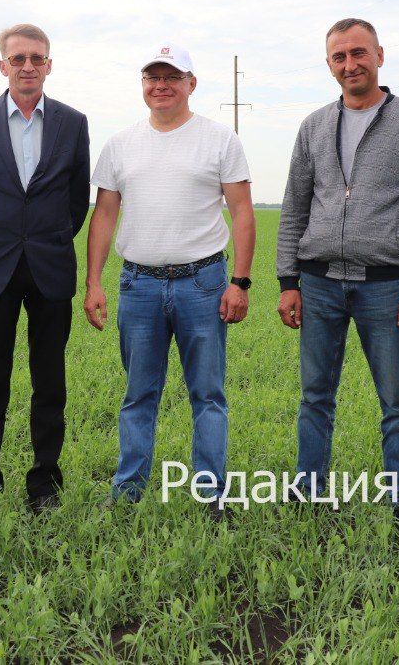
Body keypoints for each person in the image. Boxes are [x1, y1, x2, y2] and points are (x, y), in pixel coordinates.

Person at [275, 18, 399, 527]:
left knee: (396, 400)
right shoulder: (315, 125)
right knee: (315, 397)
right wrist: (287, 281)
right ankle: (309, 495)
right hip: (320, 283)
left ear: (380, 55)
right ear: (329, 65)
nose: (350, 64)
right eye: (339, 57)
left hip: (387, 287)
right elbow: (295, 204)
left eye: (358, 53)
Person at [84, 44, 255, 516]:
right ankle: (129, 490)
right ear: (143, 85)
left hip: (202, 283)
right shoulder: (121, 144)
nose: (161, 85)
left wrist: (239, 281)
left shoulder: (219, 139)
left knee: (208, 395)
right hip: (137, 285)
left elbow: (241, 211)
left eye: (172, 77)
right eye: (152, 77)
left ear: (191, 84)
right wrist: (93, 282)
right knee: (138, 393)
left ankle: (211, 494)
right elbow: (103, 217)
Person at [0, 24, 90, 512]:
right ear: (2, 65)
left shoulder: (73, 123)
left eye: (37, 58)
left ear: (49, 64)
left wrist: (44, 239)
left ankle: (44, 483)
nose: (28, 66)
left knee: (50, 381)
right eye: (18, 59)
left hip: (50, 267)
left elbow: (78, 202)